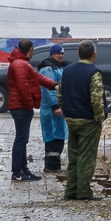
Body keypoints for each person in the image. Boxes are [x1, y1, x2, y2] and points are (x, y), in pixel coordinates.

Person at [58, 40, 106, 201]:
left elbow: (60, 94)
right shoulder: (94, 72)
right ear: (94, 54)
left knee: (73, 155)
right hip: (88, 121)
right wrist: (100, 117)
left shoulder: (67, 71)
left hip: (71, 119)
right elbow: (97, 97)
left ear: (78, 54)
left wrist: (66, 111)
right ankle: (84, 191)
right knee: (86, 157)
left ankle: (70, 190)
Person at [4, 38, 57, 183]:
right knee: (21, 140)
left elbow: (37, 77)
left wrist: (53, 85)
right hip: (21, 107)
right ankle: (17, 172)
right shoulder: (20, 64)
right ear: (31, 49)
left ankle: (24, 170)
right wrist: (29, 105)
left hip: (21, 106)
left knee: (23, 139)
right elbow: (23, 87)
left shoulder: (21, 62)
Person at [38, 43, 68, 174]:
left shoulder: (58, 67)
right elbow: (47, 89)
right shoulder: (48, 68)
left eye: (62, 53)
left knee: (58, 136)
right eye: (58, 53)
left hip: (58, 107)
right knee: (52, 137)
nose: (61, 55)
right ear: (52, 54)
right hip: (51, 109)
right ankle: (51, 165)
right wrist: (55, 106)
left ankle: (55, 165)